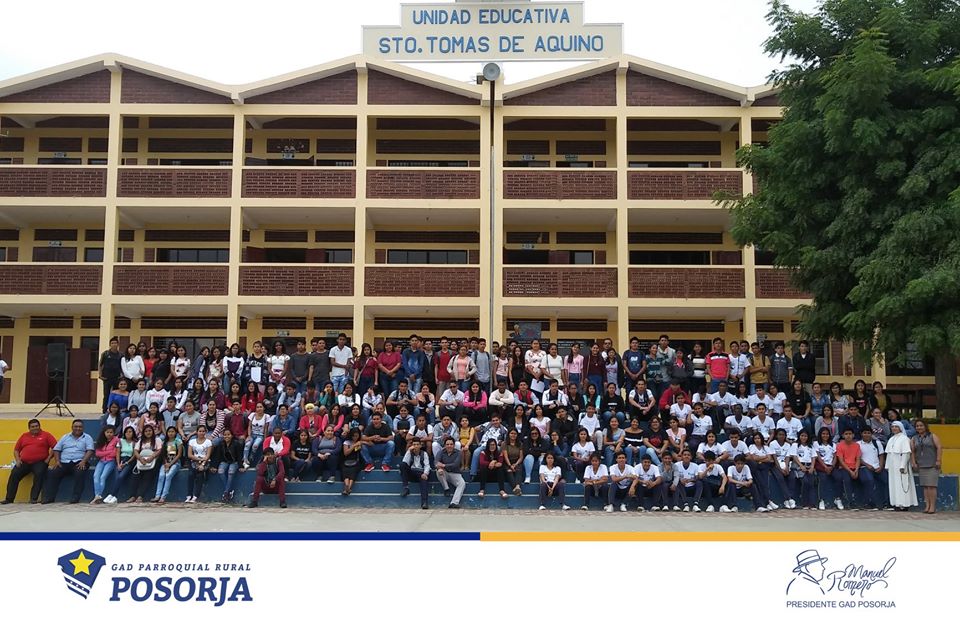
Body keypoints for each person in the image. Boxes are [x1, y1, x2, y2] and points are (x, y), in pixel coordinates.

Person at [2, 419, 57, 505]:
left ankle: (33, 498)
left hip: (40, 462)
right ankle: (9, 499)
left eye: (36, 426)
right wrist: (18, 460)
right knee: (14, 473)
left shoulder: (46, 435)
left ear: (39, 426)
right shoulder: (24, 436)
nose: (35, 428)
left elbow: (56, 447)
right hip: (24, 462)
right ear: (29, 428)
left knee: (39, 474)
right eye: (32, 427)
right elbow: (16, 450)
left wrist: (48, 458)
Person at [41, 420, 94, 505]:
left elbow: (90, 450)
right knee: (53, 473)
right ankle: (49, 498)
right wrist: (57, 461)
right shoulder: (65, 437)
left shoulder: (87, 438)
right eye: (76, 426)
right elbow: (57, 449)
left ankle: (75, 498)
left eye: (80, 427)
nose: (78, 428)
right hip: (64, 462)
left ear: (83, 428)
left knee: (80, 473)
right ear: (72, 427)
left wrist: (83, 461)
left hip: (79, 462)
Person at [885, 421, 918, 512]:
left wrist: (902, 465)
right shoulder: (891, 439)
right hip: (892, 466)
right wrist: (887, 465)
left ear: (900, 428)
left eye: (896, 427)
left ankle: (904, 504)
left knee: (902, 484)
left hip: (900, 465)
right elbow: (889, 454)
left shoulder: (904, 439)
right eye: (893, 427)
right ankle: (896, 503)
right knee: (894, 484)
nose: (894, 428)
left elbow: (906, 453)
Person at [911, 419, 941, 514]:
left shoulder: (932, 436)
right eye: (917, 426)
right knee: (925, 486)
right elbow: (912, 451)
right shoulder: (914, 438)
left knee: (931, 486)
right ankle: (927, 505)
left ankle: (932, 506)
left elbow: (939, 447)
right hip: (921, 465)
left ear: (925, 426)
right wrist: (913, 462)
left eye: (921, 425)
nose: (919, 427)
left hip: (932, 465)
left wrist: (938, 460)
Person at [129, 425, 162, 503]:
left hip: (153, 461)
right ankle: (132, 496)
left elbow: (159, 450)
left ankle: (140, 496)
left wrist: (152, 457)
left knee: (147, 476)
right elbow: (136, 450)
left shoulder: (157, 440)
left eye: (149, 431)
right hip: (141, 462)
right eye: (146, 431)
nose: (148, 432)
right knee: (134, 477)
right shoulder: (140, 441)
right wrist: (140, 458)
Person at [858, 428, 887, 510]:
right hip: (864, 467)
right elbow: (858, 458)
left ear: (871, 434)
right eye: (865, 433)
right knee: (869, 480)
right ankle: (870, 503)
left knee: (886, 480)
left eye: (868, 433)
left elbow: (881, 455)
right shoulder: (858, 444)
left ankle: (886, 503)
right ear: (861, 434)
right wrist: (867, 465)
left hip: (877, 467)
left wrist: (881, 466)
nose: (867, 434)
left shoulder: (877, 443)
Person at [834, 429, 863, 510]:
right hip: (844, 468)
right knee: (847, 480)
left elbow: (858, 459)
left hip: (855, 468)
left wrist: (856, 470)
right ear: (843, 436)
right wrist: (850, 471)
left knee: (863, 478)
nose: (848, 435)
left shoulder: (857, 445)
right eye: (846, 434)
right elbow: (841, 461)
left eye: (850, 434)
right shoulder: (839, 445)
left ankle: (862, 502)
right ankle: (849, 502)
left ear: (853, 435)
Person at [153, 426, 183, 504]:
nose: (171, 433)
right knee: (161, 476)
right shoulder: (165, 442)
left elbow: (179, 455)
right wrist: (166, 464)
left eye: (172, 431)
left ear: (175, 433)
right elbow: (163, 455)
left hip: (175, 463)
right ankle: (157, 495)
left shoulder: (178, 441)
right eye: (169, 432)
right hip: (166, 463)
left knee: (168, 475)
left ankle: (163, 497)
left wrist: (170, 464)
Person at [399, 438, 431, 509]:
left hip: (421, 472)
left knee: (424, 480)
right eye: (414, 444)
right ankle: (406, 488)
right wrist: (408, 451)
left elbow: (427, 465)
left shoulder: (424, 454)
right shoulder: (410, 452)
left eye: (417, 444)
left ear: (420, 446)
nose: (415, 446)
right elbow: (404, 463)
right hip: (412, 472)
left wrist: (425, 473)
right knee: (402, 465)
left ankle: (424, 502)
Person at [813, 427, 840, 510]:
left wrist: (832, 466)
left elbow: (835, 457)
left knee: (838, 477)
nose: (825, 435)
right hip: (821, 466)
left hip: (831, 466)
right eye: (823, 434)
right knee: (823, 479)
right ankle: (821, 500)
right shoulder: (816, 443)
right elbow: (818, 457)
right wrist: (825, 467)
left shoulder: (833, 444)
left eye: (827, 434)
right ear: (820, 435)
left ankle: (837, 499)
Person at [436, 437, 466, 509]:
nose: (449, 446)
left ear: (454, 445)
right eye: (447, 444)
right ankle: (446, 488)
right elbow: (436, 462)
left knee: (462, 483)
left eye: (451, 444)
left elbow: (455, 464)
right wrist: (439, 467)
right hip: (445, 473)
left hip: (455, 473)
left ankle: (454, 503)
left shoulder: (458, 453)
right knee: (438, 471)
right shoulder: (441, 452)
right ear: (445, 445)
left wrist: (444, 465)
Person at [90, 426, 118, 504]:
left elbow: (114, 453)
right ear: (104, 433)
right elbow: (97, 453)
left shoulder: (116, 440)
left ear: (114, 433)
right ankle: (97, 496)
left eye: (111, 432)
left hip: (111, 461)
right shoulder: (101, 440)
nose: (109, 434)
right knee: (95, 476)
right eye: (107, 432)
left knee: (103, 477)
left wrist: (104, 453)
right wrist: (108, 452)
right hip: (101, 461)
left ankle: (98, 496)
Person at [340, 428, 363, 496]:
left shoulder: (359, 441)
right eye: (353, 436)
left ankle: (348, 488)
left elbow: (370, 444)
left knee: (353, 470)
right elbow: (346, 453)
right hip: (346, 460)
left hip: (356, 460)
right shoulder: (346, 442)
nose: (355, 437)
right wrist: (353, 446)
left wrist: (360, 444)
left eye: (356, 436)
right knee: (345, 470)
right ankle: (346, 485)